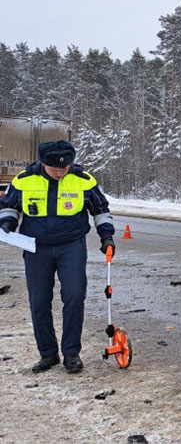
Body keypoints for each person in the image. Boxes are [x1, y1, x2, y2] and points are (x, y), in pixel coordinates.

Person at [0, 140, 115, 374]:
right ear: (43, 162)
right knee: (39, 301)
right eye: (54, 168)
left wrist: (107, 236)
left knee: (74, 296)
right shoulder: (23, 180)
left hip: (71, 246)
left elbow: (101, 209)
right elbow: (8, 206)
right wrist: (8, 222)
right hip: (36, 248)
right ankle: (48, 354)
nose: (59, 172)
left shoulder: (84, 180)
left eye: (64, 168)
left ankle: (71, 353)